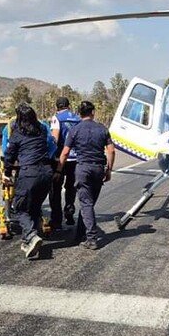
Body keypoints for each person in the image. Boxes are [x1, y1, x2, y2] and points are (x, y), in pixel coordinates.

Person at [56, 101, 115, 250]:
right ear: (93, 112)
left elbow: (65, 152)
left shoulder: (75, 130)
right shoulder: (102, 129)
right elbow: (111, 151)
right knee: (88, 203)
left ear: (80, 113)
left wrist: (58, 170)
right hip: (98, 169)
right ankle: (80, 234)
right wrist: (109, 169)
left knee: (86, 204)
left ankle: (91, 238)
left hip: (83, 169)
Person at [3, 103, 55, 259]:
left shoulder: (17, 133)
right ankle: (29, 240)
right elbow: (51, 146)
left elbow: (9, 155)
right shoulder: (43, 129)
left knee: (19, 209)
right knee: (34, 207)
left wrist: (6, 173)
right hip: (46, 173)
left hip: (29, 173)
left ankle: (31, 236)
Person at [49, 97, 81, 229]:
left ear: (57, 106)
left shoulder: (56, 118)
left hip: (60, 158)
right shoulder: (77, 118)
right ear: (68, 105)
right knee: (71, 187)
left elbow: (55, 139)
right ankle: (69, 212)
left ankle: (56, 219)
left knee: (55, 189)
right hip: (75, 158)